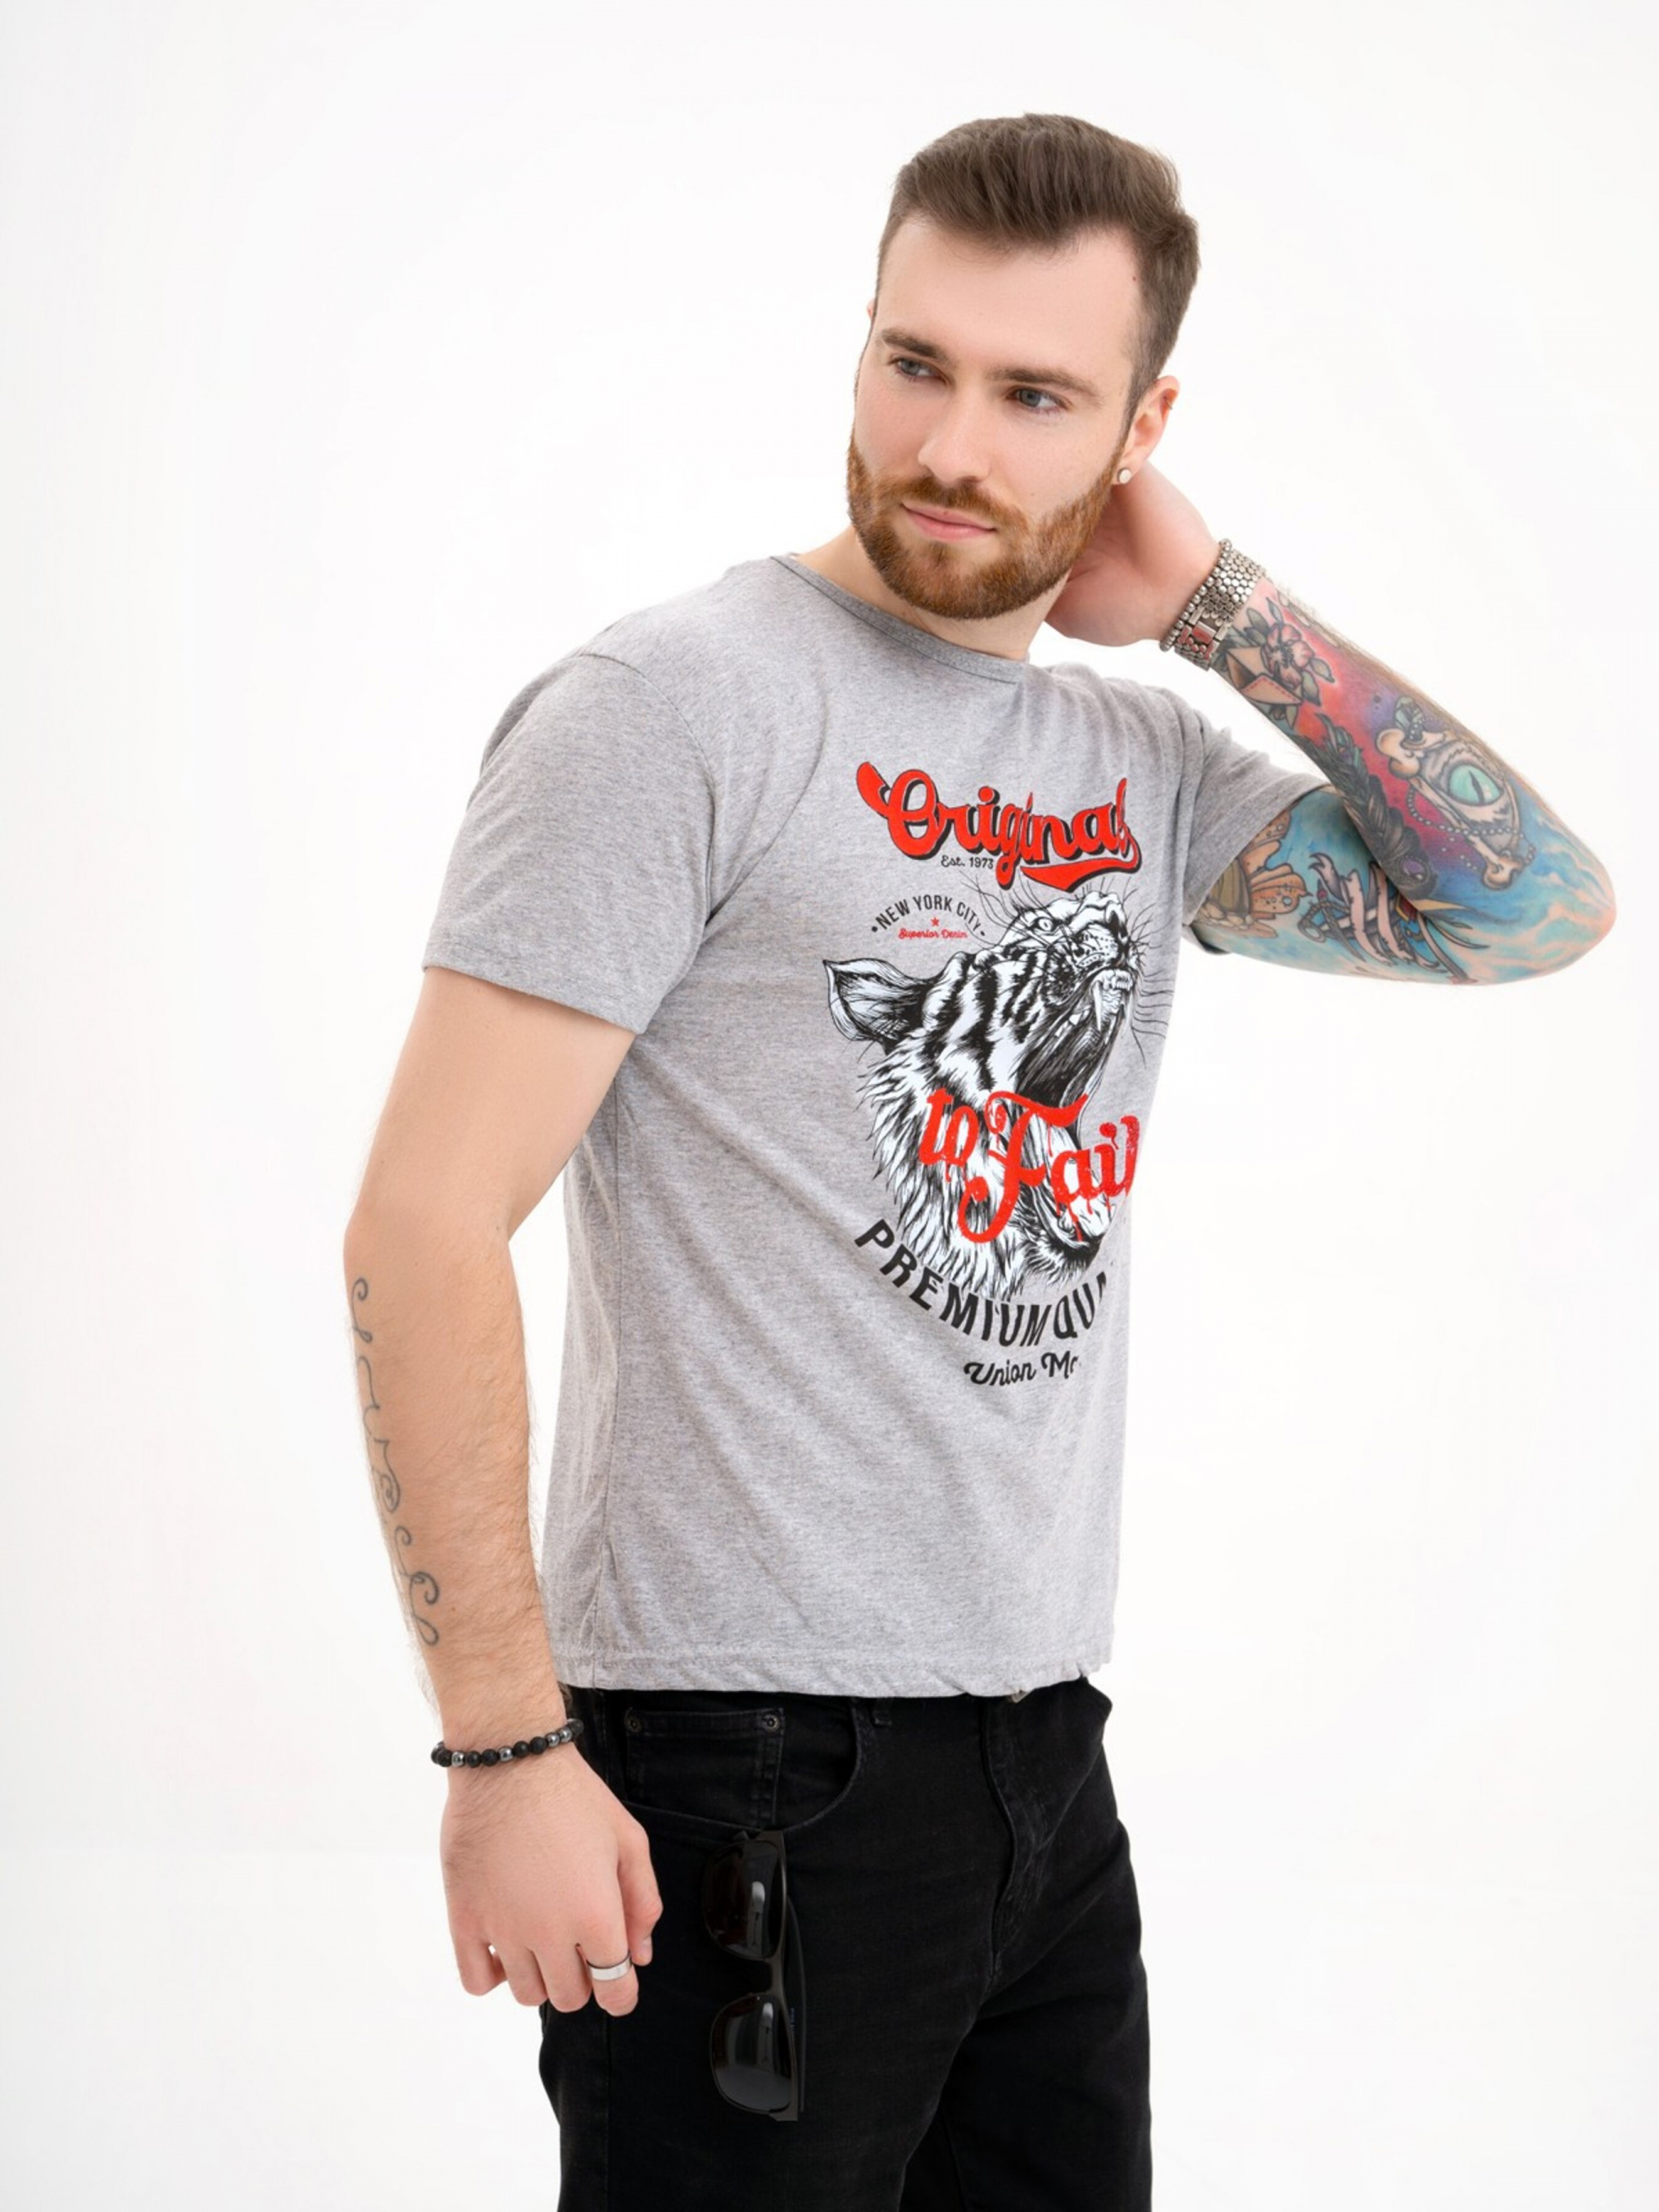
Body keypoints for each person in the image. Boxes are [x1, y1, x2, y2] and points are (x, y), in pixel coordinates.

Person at [342, 111, 1615, 2210]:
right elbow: (419, 1222)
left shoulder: (1136, 757)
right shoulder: (672, 707)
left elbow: (1527, 910)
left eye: (1034, 396)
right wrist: (500, 1746)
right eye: (912, 364)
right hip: (738, 1755)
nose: (947, 445)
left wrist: (1216, 607)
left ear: (1138, 428)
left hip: (1039, 1745)